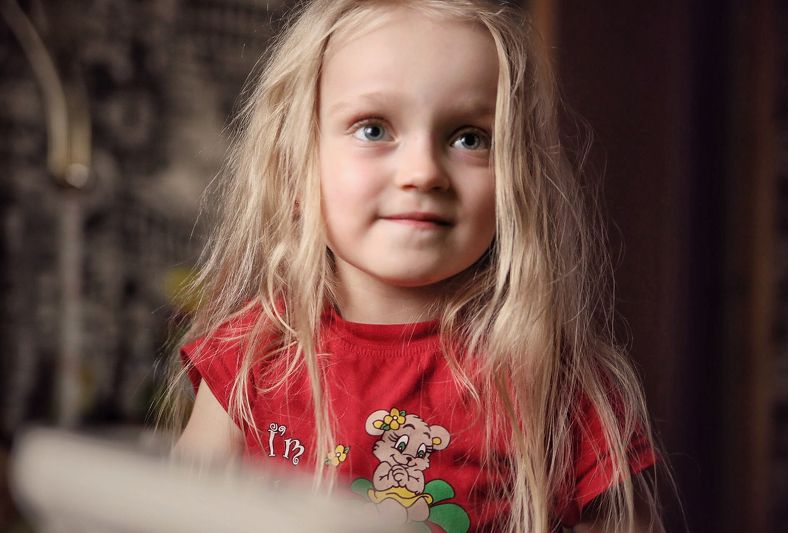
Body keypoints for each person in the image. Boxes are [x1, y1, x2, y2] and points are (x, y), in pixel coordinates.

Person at [164, 1, 668, 531]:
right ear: (293, 168)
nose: (424, 172)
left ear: (516, 180)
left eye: (469, 138)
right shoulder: (248, 359)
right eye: (373, 129)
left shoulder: (554, 384)